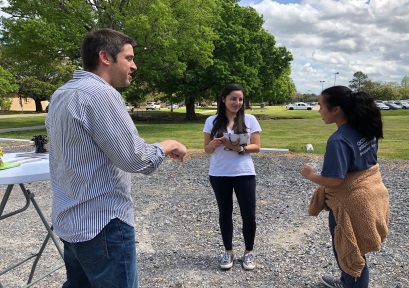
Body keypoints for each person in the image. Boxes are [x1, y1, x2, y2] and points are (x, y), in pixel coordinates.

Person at [45, 28, 187, 288]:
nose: (134, 66)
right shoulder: (101, 95)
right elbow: (135, 159)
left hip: (71, 222)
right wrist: (169, 144)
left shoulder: (61, 94)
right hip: (103, 224)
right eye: (129, 58)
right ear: (105, 57)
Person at [300, 86, 390, 288]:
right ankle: (345, 282)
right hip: (373, 196)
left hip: (351, 204)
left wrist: (311, 175)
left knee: (351, 254)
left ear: (336, 109)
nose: (319, 110)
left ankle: (351, 283)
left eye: (321, 105)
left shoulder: (338, 140)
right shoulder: (366, 127)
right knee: (357, 250)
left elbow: (334, 180)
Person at [203, 83, 262, 270]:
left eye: (240, 99)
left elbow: (257, 147)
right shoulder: (211, 121)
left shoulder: (250, 119)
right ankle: (228, 252)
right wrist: (213, 143)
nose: (237, 102)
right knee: (225, 213)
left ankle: (249, 252)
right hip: (219, 173)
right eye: (233, 98)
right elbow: (206, 149)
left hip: (244, 172)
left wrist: (240, 148)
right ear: (223, 99)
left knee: (249, 215)